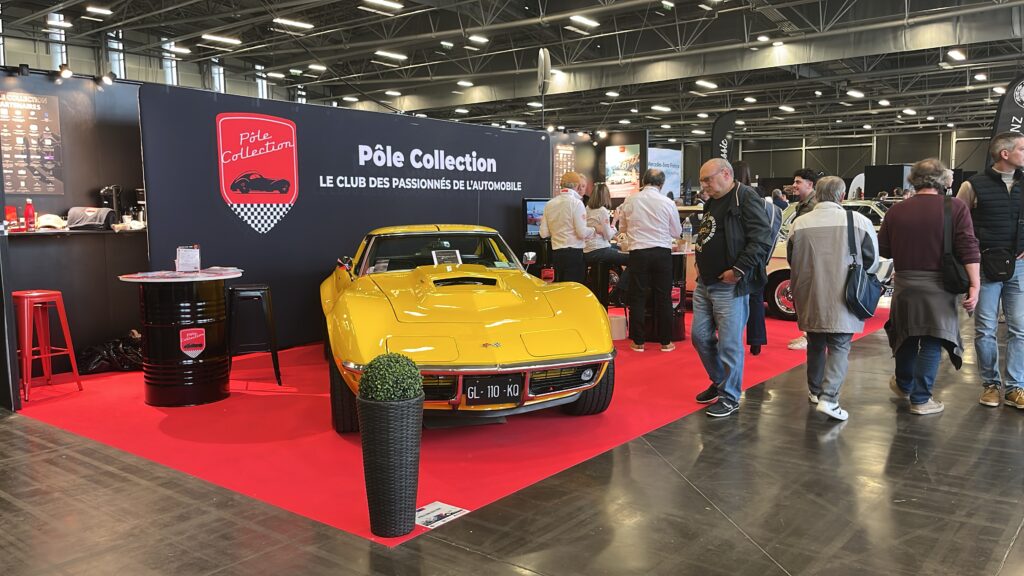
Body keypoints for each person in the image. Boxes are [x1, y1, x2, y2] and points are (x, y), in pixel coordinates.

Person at [882, 159, 980, 415]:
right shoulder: (955, 207)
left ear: (914, 179)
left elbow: (884, 250)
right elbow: (969, 249)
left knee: (905, 337)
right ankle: (922, 399)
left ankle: (903, 385)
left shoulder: (896, 210)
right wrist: (975, 285)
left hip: (904, 284)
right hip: (939, 286)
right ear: (944, 180)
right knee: (932, 341)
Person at [787, 176, 880, 420]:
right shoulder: (858, 221)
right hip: (845, 292)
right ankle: (830, 399)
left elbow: (791, 258)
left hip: (808, 290)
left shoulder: (800, 223)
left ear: (816, 194)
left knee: (815, 342)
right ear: (842, 196)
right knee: (839, 345)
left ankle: (816, 391)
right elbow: (872, 262)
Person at [692, 159, 772, 417]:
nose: (704, 186)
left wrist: (738, 270)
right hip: (705, 282)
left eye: (708, 179)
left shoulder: (745, 197)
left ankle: (730, 396)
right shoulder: (714, 199)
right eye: (702, 180)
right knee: (700, 337)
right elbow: (709, 233)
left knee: (729, 344)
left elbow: (761, 238)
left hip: (729, 285)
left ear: (726, 174)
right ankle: (720, 382)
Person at [956, 131, 1024, 409]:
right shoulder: (973, 186)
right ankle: (990, 385)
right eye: (1022, 148)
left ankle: (1015, 387)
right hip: (984, 267)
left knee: (1019, 329)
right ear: (1005, 154)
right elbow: (957, 225)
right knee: (984, 329)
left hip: (1018, 267)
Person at [618, 169, 681, 353]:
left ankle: (638, 342)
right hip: (662, 252)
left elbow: (623, 228)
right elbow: (676, 232)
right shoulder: (667, 202)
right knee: (663, 296)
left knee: (637, 296)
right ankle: (666, 342)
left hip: (638, 252)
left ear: (643, 181)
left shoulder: (630, 200)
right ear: (661, 184)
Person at [734, 161, 781, 355]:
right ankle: (756, 341)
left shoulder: (736, 199)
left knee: (731, 300)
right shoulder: (771, 209)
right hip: (758, 259)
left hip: (736, 259)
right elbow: (774, 234)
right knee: (755, 299)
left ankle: (732, 338)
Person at [540, 172, 595, 284]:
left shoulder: (549, 204)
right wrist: (594, 229)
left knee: (560, 291)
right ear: (577, 186)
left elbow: (543, 233)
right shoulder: (577, 203)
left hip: (556, 255)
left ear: (561, 185)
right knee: (574, 293)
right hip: (574, 255)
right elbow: (581, 233)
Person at [788, 168, 821, 351]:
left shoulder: (813, 205)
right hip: (804, 260)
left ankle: (810, 336)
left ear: (810, 184)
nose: (794, 185)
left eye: (798, 182)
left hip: (810, 261)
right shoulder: (803, 204)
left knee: (809, 300)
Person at [584, 183, 630, 303]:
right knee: (634, 259)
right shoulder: (602, 211)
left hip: (589, 250)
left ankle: (618, 291)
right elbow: (608, 235)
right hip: (599, 250)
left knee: (619, 247)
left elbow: (604, 233)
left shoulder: (587, 209)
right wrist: (615, 220)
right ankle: (618, 292)